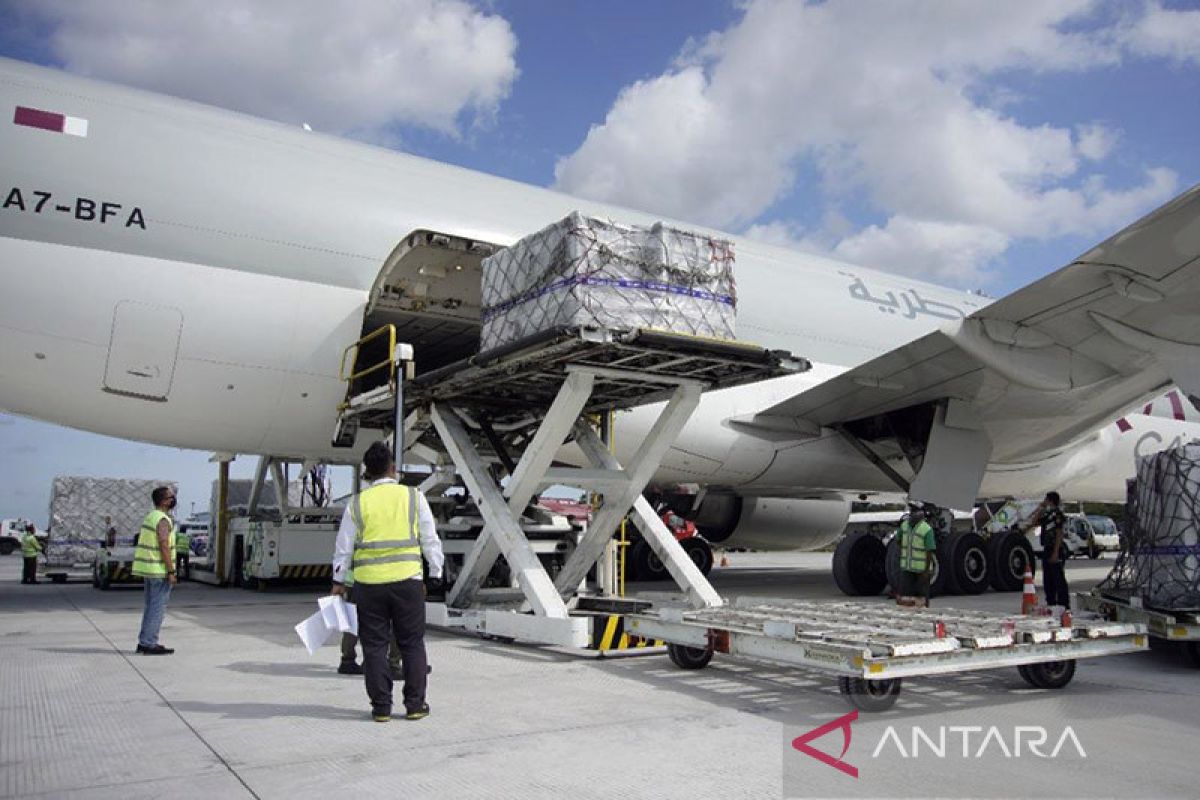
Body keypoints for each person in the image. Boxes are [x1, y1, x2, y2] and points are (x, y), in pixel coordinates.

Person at [331, 442, 443, 722]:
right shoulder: (414, 497)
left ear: (367, 472)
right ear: (393, 467)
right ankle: (415, 705)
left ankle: (381, 707)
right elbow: (430, 540)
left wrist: (337, 581)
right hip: (408, 582)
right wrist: (436, 573)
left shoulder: (357, 502)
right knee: (412, 644)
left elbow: (343, 547)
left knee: (374, 646)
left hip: (369, 586)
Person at [132, 486, 178, 655]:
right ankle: (150, 643)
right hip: (159, 570)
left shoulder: (150, 517)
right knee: (157, 608)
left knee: (150, 607)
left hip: (149, 569)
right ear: (164, 501)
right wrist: (171, 571)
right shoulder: (163, 520)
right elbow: (164, 544)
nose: (173, 500)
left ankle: (144, 641)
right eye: (171, 497)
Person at [336, 565, 402, 678]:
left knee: (354, 621)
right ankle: (393, 664)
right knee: (393, 620)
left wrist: (338, 581)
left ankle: (349, 660)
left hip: (355, 578)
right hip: (384, 578)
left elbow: (343, 554)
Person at [1028, 491, 1070, 609]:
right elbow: (1034, 522)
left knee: (1058, 578)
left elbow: (1059, 533)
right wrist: (1040, 509)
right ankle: (1051, 602)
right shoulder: (1047, 515)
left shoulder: (1058, 515)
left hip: (1055, 548)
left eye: (1046, 500)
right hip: (1047, 548)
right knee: (1048, 578)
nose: (1044, 502)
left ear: (1050, 500)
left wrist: (1056, 552)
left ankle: (1063, 604)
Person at [896, 504, 936, 608]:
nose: (912, 515)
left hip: (921, 571)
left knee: (921, 600)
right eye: (912, 512)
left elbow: (929, 551)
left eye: (914, 512)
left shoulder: (927, 529)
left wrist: (926, 571)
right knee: (906, 599)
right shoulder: (904, 526)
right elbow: (898, 540)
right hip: (908, 569)